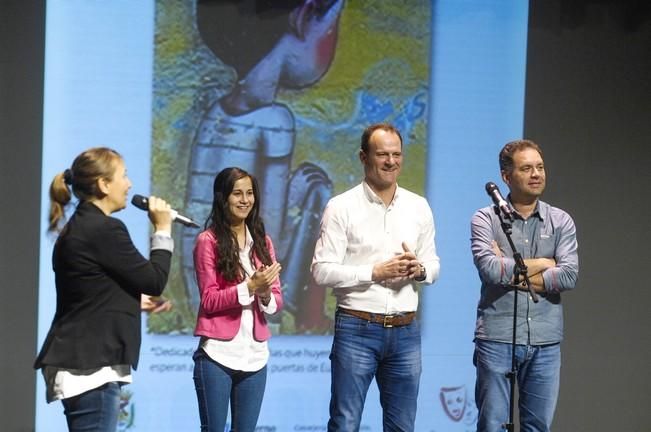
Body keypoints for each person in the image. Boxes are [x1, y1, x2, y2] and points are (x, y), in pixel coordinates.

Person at [181, 0, 344, 332]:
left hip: (204, 276)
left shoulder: (216, 112)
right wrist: (298, 193)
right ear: (301, 18)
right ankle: (308, 316)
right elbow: (269, 229)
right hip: (239, 284)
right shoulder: (276, 121)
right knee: (319, 188)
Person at [33, 147, 175, 432]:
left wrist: (129, 301)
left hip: (84, 363)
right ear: (103, 184)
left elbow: (88, 293)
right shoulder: (104, 229)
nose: (130, 184)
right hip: (90, 368)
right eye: (123, 176)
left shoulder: (82, 227)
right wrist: (162, 230)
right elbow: (154, 280)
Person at [311, 123, 440, 431]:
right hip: (357, 327)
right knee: (345, 423)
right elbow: (321, 269)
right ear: (363, 157)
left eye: (397, 154)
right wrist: (374, 272)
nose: (391, 162)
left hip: (406, 330)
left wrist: (418, 270)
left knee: (402, 426)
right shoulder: (341, 206)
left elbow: (433, 264)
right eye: (382, 154)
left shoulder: (418, 206)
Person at [470, 139, 579, 432]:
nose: (536, 174)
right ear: (507, 176)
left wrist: (511, 269)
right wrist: (545, 263)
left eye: (540, 167)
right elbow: (491, 271)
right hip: (497, 337)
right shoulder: (486, 218)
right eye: (527, 168)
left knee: (538, 426)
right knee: (492, 425)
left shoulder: (561, 221)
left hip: (545, 341)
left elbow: (568, 276)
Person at [192, 167, 284, 432]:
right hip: (218, 355)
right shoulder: (207, 241)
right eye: (237, 194)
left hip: (255, 356)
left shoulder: (262, 242)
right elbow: (209, 300)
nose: (245, 200)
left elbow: (276, 302)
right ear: (223, 198)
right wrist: (250, 287)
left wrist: (264, 292)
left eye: (249, 193)